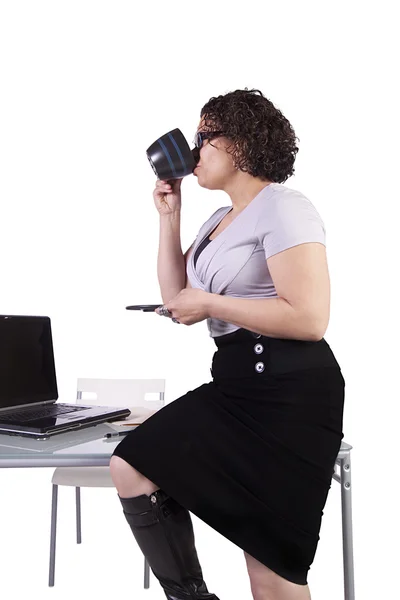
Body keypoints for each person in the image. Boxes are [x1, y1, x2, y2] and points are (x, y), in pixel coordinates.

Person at [109, 88, 345, 600]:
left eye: (204, 136)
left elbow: (309, 318)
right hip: (237, 383)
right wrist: (169, 216)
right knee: (132, 463)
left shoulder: (285, 208)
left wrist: (213, 306)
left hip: (291, 392)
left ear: (239, 142)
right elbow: (177, 299)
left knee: (270, 571)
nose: (194, 149)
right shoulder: (217, 221)